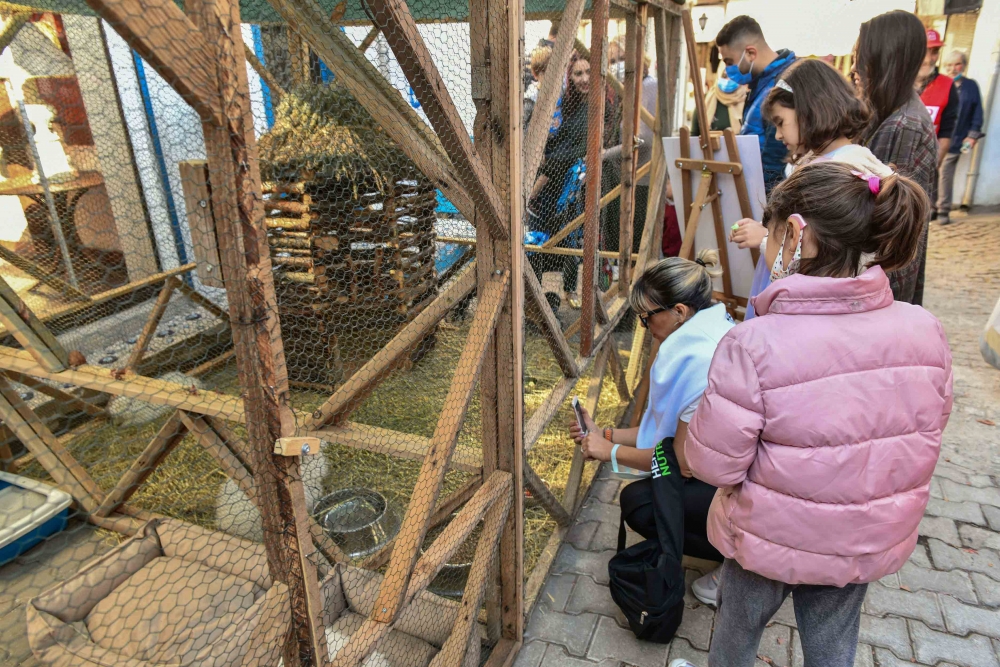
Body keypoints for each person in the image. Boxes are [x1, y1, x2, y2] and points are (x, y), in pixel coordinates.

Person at [685, 162, 953, 667]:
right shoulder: (925, 330)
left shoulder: (753, 342)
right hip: (861, 538)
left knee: (735, 636)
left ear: (795, 235)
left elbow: (714, 465)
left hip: (768, 535)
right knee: (833, 647)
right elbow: (925, 433)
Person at [570, 250, 733, 605]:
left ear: (679, 312)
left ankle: (738, 561)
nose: (644, 328)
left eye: (647, 318)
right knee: (645, 492)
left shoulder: (700, 361)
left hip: (737, 486)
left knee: (638, 504)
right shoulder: (709, 331)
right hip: (725, 472)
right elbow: (662, 433)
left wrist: (608, 452)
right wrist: (604, 434)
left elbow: (680, 462)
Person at [728, 58, 890, 319]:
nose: (778, 135)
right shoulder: (827, 160)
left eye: (781, 122)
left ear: (809, 111)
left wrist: (766, 240)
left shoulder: (837, 169)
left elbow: (816, 256)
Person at [853, 9, 937, 305]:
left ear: (882, 60)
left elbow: (884, 217)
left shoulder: (904, 125)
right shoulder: (894, 114)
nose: (855, 68)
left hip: (885, 277)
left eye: (860, 57)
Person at [528, 53, 618, 310]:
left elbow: (579, 149)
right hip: (561, 181)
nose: (584, 79)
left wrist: (544, 172)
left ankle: (578, 292)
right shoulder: (572, 105)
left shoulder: (601, 106)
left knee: (581, 236)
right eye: (578, 74)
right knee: (556, 235)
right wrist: (546, 156)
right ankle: (550, 292)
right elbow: (562, 141)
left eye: (589, 72)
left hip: (585, 182)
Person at [715, 15, 796, 194]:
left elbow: (776, 157)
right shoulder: (759, 84)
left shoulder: (784, 83)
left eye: (729, 62)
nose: (728, 70)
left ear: (750, 53)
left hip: (767, 194)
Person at [937, 49, 985, 225]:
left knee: (944, 173)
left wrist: (972, 136)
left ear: (963, 65)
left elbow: (977, 113)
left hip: (956, 139)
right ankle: (932, 208)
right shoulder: (939, 84)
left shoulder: (970, 86)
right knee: (933, 171)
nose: (953, 68)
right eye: (949, 65)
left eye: (957, 64)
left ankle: (943, 210)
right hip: (936, 137)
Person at [916, 29, 959, 168]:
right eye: (924, 51)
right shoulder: (898, 83)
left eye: (934, 52)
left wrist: (933, 168)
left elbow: (946, 131)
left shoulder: (947, 85)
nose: (928, 59)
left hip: (925, 163)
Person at [692, 65, 746, 136]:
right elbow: (693, 135)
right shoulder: (704, 100)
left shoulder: (748, 100)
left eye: (733, 76)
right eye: (724, 76)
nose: (728, 80)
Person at [523, 46, 552, 130]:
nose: (550, 77)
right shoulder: (531, 98)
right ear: (535, 75)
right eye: (546, 72)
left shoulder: (557, 90)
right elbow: (522, 124)